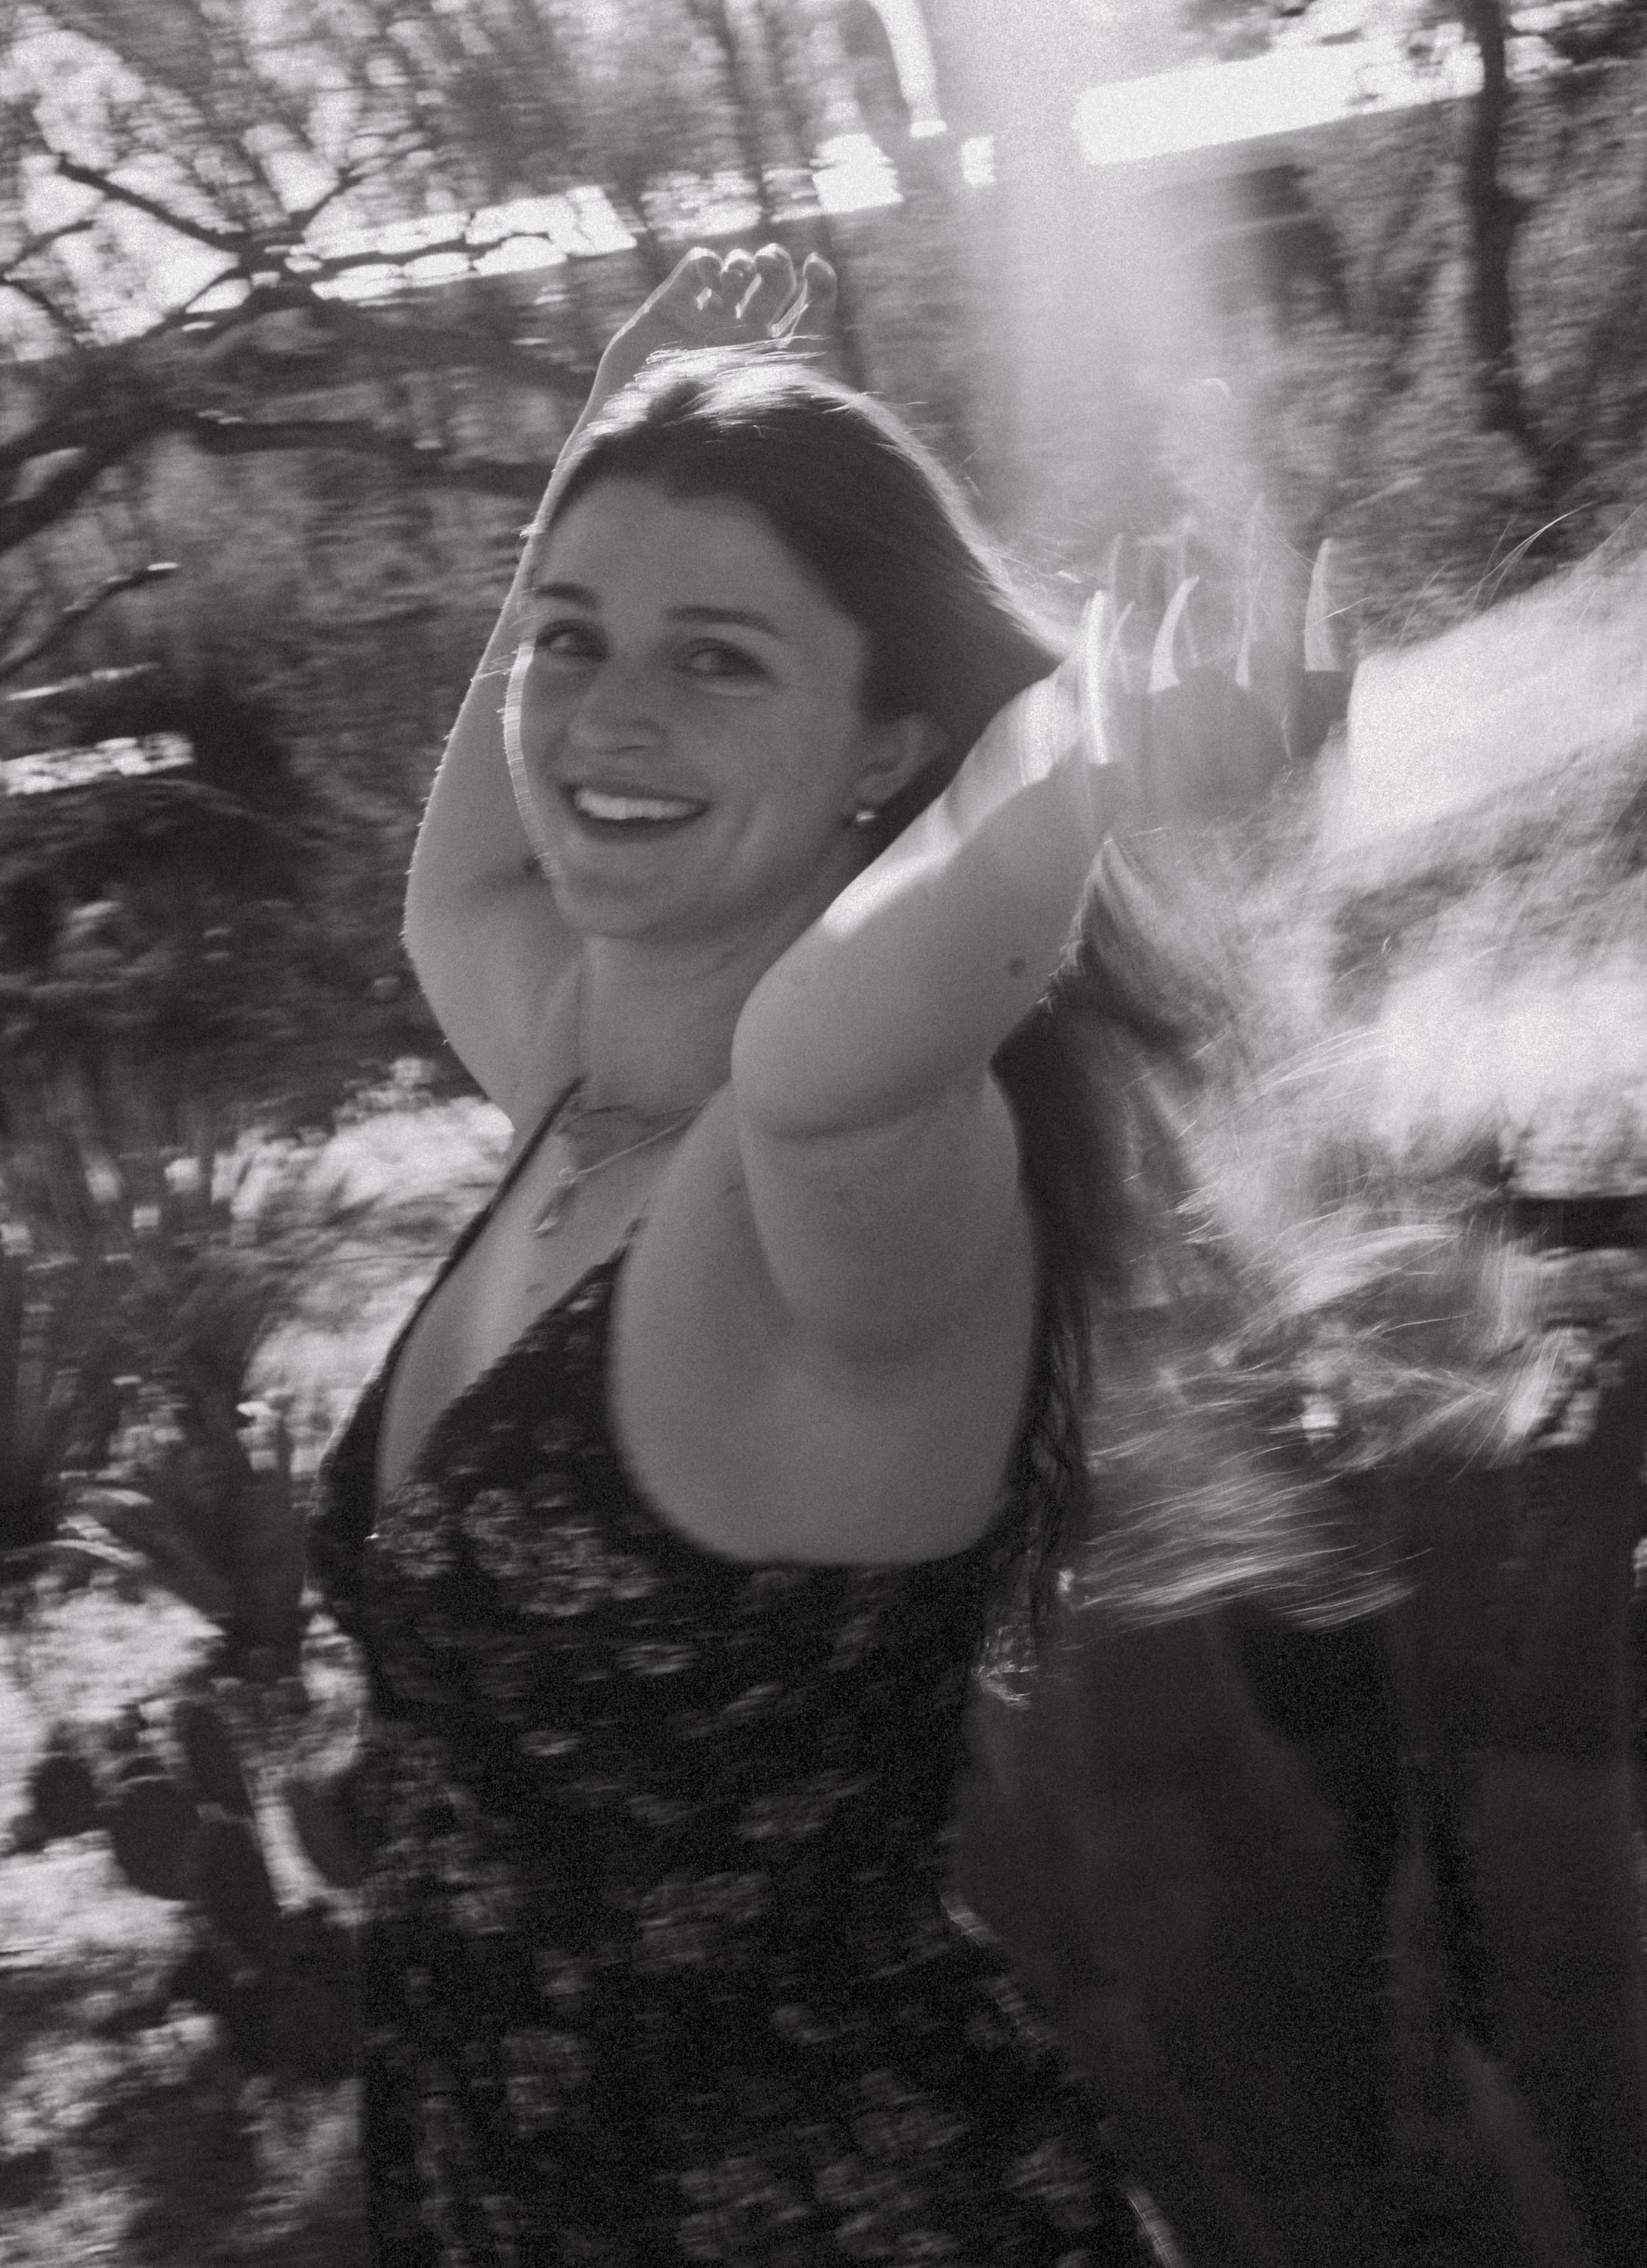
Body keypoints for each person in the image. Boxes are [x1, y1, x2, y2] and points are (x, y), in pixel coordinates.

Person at [309, 243, 1305, 2266]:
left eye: (721, 659)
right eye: (567, 640)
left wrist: (1078, 771)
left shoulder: (868, 1177)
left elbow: (827, 1052)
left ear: (884, 747)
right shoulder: (586, 1084)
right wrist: (613, 456)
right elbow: (460, 892)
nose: (608, 710)